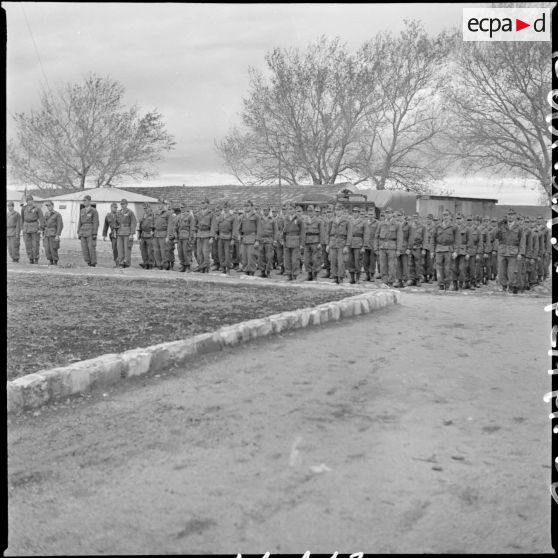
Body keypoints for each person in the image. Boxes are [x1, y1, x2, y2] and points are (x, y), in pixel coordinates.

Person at [495, 208, 525, 294]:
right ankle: (504, 286)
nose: (510, 217)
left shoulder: (519, 228)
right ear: (506, 216)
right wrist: (498, 226)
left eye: (512, 215)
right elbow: (496, 236)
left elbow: (522, 241)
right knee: (501, 271)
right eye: (509, 215)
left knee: (511, 272)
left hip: (513, 252)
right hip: (502, 251)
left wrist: (520, 253)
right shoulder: (502, 226)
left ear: (515, 216)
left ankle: (511, 286)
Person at [327, 203, 353, 284]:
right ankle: (335, 277)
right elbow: (327, 233)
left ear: (342, 211)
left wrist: (347, 245)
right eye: (336, 210)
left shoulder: (346, 221)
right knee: (333, 261)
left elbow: (349, 233)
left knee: (341, 262)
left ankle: (340, 277)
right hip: (333, 243)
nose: (337, 212)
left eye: (339, 210)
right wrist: (327, 244)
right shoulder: (331, 221)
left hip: (342, 243)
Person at [375, 207, 401, 287]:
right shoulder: (381, 223)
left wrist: (398, 250)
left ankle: (391, 281)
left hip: (392, 247)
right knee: (383, 265)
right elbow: (377, 236)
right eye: (386, 213)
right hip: (382, 246)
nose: (388, 214)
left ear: (392, 214)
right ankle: (384, 280)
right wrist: (376, 248)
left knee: (391, 265)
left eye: (389, 213)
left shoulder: (397, 224)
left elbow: (400, 238)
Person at [432, 210, 457, 291]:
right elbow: (433, 239)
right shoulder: (438, 226)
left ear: (450, 216)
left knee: (448, 268)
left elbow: (457, 240)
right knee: (438, 267)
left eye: (447, 215)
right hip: (439, 249)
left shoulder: (454, 227)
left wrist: (456, 251)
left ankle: (448, 284)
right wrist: (432, 251)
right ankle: (440, 284)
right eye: (444, 215)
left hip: (448, 249)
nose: (445, 217)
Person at [282, 203, 305, 281]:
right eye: (288, 209)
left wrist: (302, 244)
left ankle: (295, 275)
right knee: (287, 259)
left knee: (295, 259)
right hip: (287, 240)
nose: (290, 211)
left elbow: (302, 232)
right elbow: (283, 230)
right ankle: (289, 274)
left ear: (294, 210)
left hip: (296, 241)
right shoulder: (285, 219)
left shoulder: (299, 219)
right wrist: (283, 240)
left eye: (291, 209)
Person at [302, 205, 324, 281]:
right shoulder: (304, 220)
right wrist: (302, 242)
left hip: (315, 241)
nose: (310, 213)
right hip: (307, 241)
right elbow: (303, 232)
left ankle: (315, 275)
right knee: (307, 260)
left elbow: (322, 232)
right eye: (308, 211)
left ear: (314, 212)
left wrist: (320, 243)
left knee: (315, 260)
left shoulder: (319, 221)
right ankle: (309, 274)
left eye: (311, 211)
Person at [347, 206, 368, 284]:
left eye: (357, 212)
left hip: (359, 243)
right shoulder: (350, 221)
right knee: (350, 261)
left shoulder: (363, 222)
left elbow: (366, 234)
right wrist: (347, 244)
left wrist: (364, 246)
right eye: (354, 212)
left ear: (359, 213)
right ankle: (352, 278)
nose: (355, 213)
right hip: (350, 243)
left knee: (357, 261)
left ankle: (358, 278)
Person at [21, 196, 44, 264]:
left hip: (34, 227)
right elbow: (22, 218)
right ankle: (30, 258)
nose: (29, 202)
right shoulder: (23, 208)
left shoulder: (37, 208)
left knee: (35, 244)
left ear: (33, 201)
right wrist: (22, 227)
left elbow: (41, 218)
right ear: (26, 201)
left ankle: (36, 258)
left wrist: (41, 228)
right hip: (26, 227)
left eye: (30, 200)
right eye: (28, 200)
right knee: (27, 244)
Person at [77, 194, 99, 267]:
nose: (84, 202)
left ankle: (93, 263)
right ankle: (88, 262)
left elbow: (96, 222)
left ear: (89, 201)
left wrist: (94, 233)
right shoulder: (82, 210)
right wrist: (78, 231)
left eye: (85, 200)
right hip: (83, 230)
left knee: (91, 247)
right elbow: (79, 221)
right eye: (83, 201)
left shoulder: (93, 210)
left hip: (90, 230)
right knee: (84, 248)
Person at [194, 198, 215, 273]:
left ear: (207, 204)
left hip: (207, 234)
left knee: (205, 253)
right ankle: (201, 267)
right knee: (199, 253)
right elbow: (195, 224)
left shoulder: (211, 214)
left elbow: (213, 226)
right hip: (199, 234)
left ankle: (206, 268)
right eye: (201, 203)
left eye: (203, 203)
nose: (202, 204)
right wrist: (194, 233)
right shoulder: (198, 213)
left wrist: (211, 237)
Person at [257, 205, 278, 278]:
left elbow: (275, 231)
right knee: (261, 257)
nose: (265, 211)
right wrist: (257, 240)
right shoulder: (260, 219)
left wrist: (275, 240)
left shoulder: (272, 219)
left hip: (269, 240)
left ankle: (268, 272)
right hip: (261, 240)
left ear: (269, 211)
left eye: (266, 210)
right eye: (264, 210)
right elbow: (258, 230)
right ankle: (262, 272)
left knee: (269, 257)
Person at [239, 200, 259, 275]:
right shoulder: (242, 216)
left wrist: (257, 240)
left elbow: (259, 229)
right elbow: (239, 228)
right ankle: (245, 270)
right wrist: (239, 235)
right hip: (244, 238)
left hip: (252, 238)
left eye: (248, 206)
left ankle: (251, 271)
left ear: (252, 207)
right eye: (245, 206)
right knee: (244, 255)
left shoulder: (256, 216)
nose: (246, 208)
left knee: (251, 255)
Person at [115, 199, 137, 268]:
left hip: (127, 232)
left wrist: (131, 233)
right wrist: (115, 231)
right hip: (120, 232)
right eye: (121, 204)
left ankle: (127, 263)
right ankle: (121, 263)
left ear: (127, 204)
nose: (122, 205)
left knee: (127, 249)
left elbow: (133, 223)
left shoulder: (130, 212)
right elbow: (116, 222)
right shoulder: (118, 212)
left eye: (124, 204)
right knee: (120, 248)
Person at [174, 203, 196, 272]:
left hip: (187, 237)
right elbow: (175, 227)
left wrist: (191, 237)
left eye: (183, 207)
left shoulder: (190, 216)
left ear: (186, 207)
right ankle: (183, 265)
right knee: (180, 252)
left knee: (187, 252)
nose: (181, 208)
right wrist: (176, 236)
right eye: (180, 207)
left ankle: (188, 266)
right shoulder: (178, 216)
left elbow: (192, 228)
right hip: (180, 236)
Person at [41, 200, 63, 265]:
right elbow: (44, 224)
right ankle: (50, 260)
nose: (48, 207)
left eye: (49, 205)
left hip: (53, 233)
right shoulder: (46, 214)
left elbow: (60, 225)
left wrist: (57, 235)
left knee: (53, 248)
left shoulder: (57, 214)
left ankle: (55, 261)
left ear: (53, 206)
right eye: (47, 206)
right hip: (46, 233)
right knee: (47, 249)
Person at [406, 213, 426, 286]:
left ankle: (418, 279)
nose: (415, 219)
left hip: (418, 247)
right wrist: (408, 248)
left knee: (418, 265)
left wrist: (424, 248)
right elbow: (407, 237)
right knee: (411, 264)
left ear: (419, 218)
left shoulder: (422, 227)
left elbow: (424, 238)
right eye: (414, 217)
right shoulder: (410, 226)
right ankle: (411, 279)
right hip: (411, 248)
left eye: (417, 217)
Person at [153, 198, 172, 270]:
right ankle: (159, 265)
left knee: (164, 251)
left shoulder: (168, 213)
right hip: (156, 234)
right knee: (156, 251)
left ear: (164, 204)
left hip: (163, 234)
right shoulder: (155, 212)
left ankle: (165, 265)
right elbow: (153, 223)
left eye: (161, 204)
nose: (159, 205)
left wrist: (168, 236)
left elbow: (170, 225)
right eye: (158, 204)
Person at [453, 213, 470, 290]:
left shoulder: (466, 229)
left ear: (463, 219)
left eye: (460, 218)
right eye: (457, 218)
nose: (458, 220)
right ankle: (454, 285)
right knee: (454, 269)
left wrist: (468, 252)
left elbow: (469, 242)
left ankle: (460, 285)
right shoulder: (453, 228)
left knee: (461, 269)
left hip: (463, 251)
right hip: (454, 250)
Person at [362, 205, 379, 282]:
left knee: (372, 261)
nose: (370, 216)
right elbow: (363, 234)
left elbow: (378, 235)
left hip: (373, 245)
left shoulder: (377, 223)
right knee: (365, 261)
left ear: (374, 215)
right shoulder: (364, 223)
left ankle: (372, 275)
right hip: (365, 245)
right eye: (369, 214)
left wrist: (377, 246)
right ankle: (367, 275)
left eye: (372, 214)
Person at [138, 202, 155, 269]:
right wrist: (139, 234)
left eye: (146, 208)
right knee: (143, 250)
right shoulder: (144, 215)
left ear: (149, 208)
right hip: (143, 234)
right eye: (144, 208)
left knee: (150, 250)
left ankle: (151, 264)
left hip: (149, 234)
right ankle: (145, 263)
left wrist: (153, 232)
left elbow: (155, 224)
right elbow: (140, 225)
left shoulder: (153, 215)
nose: (145, 209)